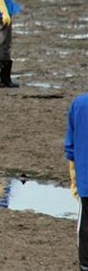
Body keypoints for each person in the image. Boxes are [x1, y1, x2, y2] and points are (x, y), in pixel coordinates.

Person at [64, 93, 88, 271]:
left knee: (85, 228)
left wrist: (75, 179)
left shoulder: (79, 104)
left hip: (85, 180)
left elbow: (70, 147)